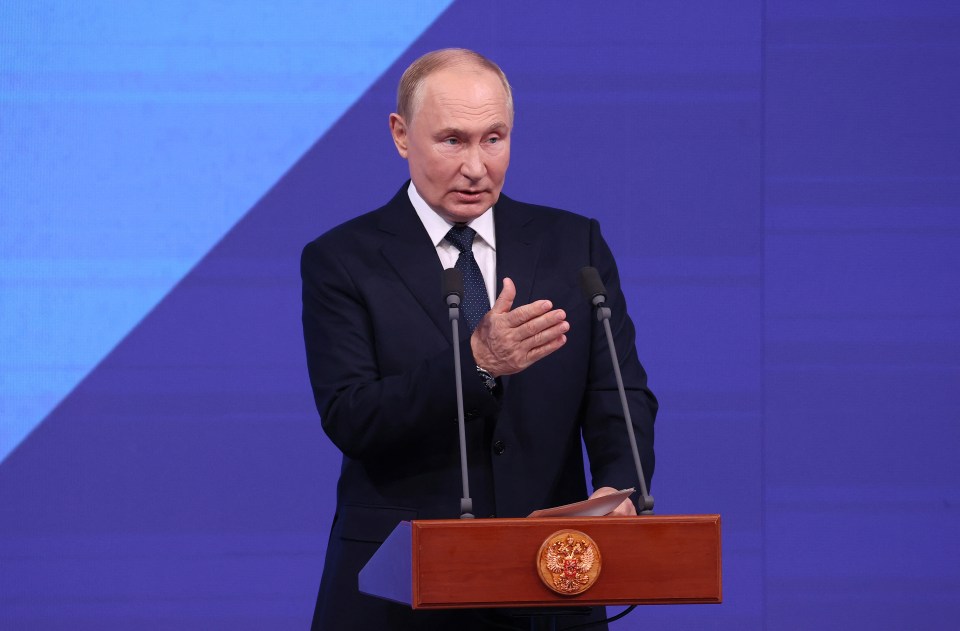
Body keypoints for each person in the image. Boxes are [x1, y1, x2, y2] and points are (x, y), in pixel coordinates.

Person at [301, 48, 657, 630]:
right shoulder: (342, 260)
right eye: (452, 141)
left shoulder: (575, 246)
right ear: (400, 135)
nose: (476, 167)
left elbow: (618, 394)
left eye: (494, 139)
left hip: (552, 580)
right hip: (398, 591)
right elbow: (351, 414)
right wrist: (476, 363)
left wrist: (620, 487)